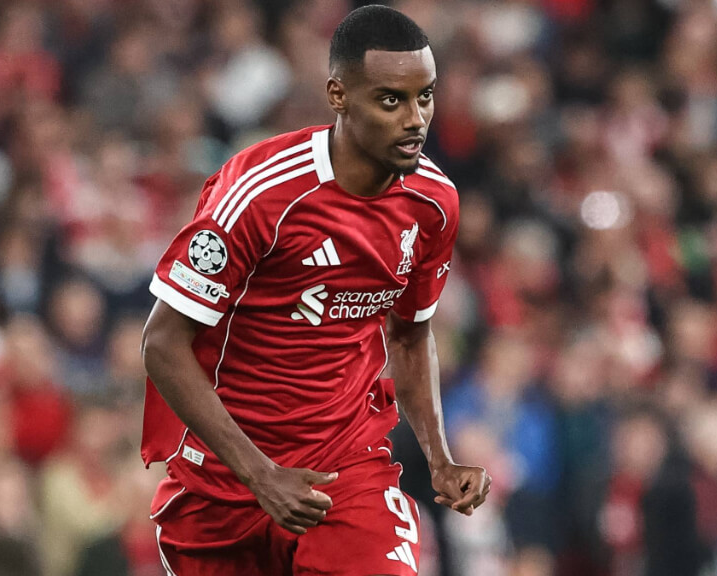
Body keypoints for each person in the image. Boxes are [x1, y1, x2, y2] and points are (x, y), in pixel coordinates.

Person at [139, 5, 491, 575]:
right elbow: (162, 344)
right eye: (390, 100)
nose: (414, 120)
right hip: (225, 483)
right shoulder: (260, 193)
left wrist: (440, 458)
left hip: (347, 467)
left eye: (424, 96)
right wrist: (261, 475)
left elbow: (409, 335)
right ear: (338, 95)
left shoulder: (433, 203)